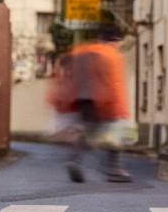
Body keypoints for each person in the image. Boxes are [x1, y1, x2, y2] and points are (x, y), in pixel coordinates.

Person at [50, 24, 133, 183]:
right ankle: (114, 169)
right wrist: (119, 109)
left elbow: (67, 71)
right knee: (115, 135)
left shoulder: (83, 51)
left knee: (87, 131)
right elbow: (114, 83)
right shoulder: (111, 54)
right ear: (115, 40)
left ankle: (74, 160)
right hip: (106, 100)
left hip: (82, 101)